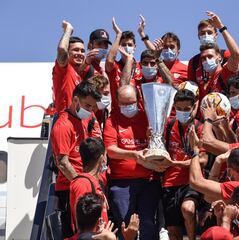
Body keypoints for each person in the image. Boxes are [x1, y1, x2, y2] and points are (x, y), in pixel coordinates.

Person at [104, 85, 161, 240]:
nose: (128, 107)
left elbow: (159, 148)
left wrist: (152, 140)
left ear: (139, 100)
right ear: (117, 101)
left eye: (132, 103)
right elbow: (111, 150)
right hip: (121, 182)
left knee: (148, 223)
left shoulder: (148, 117)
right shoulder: (112, 121)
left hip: (148, 181)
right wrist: (134, 155)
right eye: (124, 104)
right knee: (126, 225)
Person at [51, 80, 102, 238]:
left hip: (83, 185)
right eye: (88, 106)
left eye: (93, 106)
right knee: (76, 234)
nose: (91, 110)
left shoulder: (83, 120)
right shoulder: (63, 125)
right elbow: (62, 162)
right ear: (75, 100)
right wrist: (80, 183)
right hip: (70, 188)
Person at [162, 89, 207, 240]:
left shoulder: (200, 128)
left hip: (191, 182)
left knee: (188, 209)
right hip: (169, 183)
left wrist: (175, 163)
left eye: (186, 109)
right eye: (179, 109)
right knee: (173, 233)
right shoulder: (167, 124)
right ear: (173, 106)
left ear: (194, 107)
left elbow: (203, 159)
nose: (182, 112)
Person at [188, 11, 239, 101]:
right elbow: (193, 90)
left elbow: (236, 55)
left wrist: (221, 27)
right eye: (203, 58)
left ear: (219, 57)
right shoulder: (194, 62)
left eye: (210, 57)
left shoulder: (225, 66)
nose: (207, 60)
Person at [188, 13, 239, 83]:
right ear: (198, 36)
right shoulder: (193, 62)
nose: (206, 35)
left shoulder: (224, 54)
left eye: (209, 32)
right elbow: (192, 86)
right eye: (202, 33)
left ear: (215, 35)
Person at [70, 137, 109, 233]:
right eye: (105, 155)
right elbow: (82, 224)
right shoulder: (82, 184)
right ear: (102, 158)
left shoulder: (96, 181)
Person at [52, 20, 92, 114]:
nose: (80, 53)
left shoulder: (79, 73)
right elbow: (62, 49)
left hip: (78, 120)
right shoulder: (63, 69)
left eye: (82, 51)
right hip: (64, 118)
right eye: (76, 50)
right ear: (68, 52)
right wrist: (68, 31)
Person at [138, 15, 188, 87]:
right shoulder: (154, 66)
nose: (168, 50)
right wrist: (142, 33)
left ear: (178, 51)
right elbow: (153, 51)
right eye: (165, 46)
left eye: (172, 47)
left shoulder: (186, 69)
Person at [105, 18, 142, 114]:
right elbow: (109, 61)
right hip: (118, 113)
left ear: (135, 47)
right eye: (123, 44)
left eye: (130, 44)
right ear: (119, 47)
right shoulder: (115, 66)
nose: (127, 47)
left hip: (139, 115)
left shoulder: (142, 66)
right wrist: (118, 35)